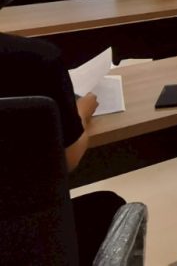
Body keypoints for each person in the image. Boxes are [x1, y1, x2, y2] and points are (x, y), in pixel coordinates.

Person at [0, 33, 126, 263]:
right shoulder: (37, 59)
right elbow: (68, 158)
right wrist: (81, 112)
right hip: (36, 244)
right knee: (108, 207)